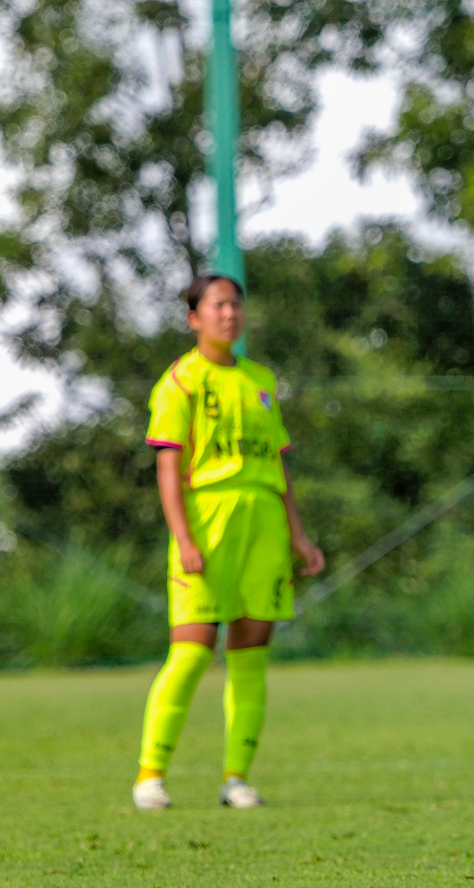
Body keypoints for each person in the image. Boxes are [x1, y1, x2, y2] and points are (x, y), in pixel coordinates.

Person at [132, 275, 324, 811]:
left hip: (262, 525)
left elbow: (278, 467)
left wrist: (299, 537)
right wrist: (184, 539)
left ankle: (236, 777)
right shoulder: (181, 381)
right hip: (208, 522)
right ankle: (151, 775)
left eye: (237, 304)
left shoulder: (262, 380)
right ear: (194, 317)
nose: (230, 314)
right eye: (218, 305)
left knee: (250, 657)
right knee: (191, 652)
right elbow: (168, 469)